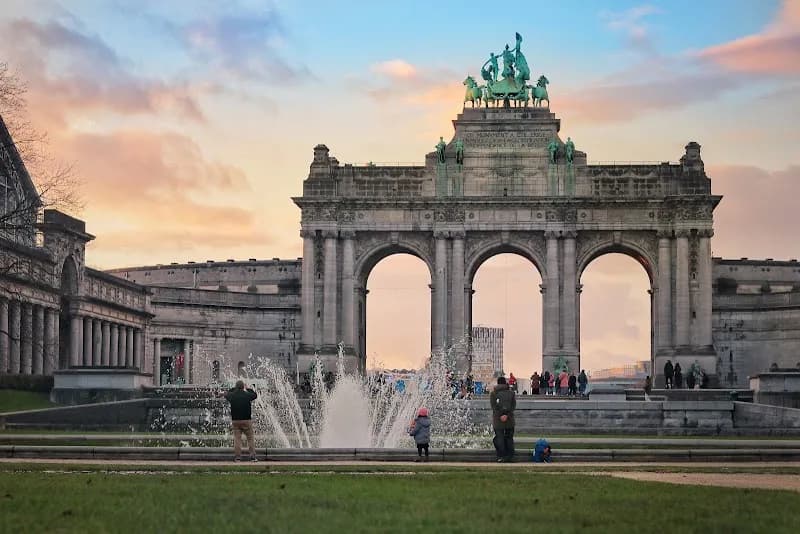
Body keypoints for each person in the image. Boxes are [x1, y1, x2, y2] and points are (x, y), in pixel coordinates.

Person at [225, 380, 258, 461]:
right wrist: (248, 388)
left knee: (237, 439)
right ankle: (252, 456)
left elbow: (227, 393)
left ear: (236, 387)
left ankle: (238, 457)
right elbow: (255, 395)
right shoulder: (247, 395)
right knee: (250, 438)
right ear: (243, 387)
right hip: (247, 420)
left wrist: (234, 389)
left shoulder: (232, 396)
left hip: (235, 421)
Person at [490, 376, 516, 462]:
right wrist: (506, 415)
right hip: (509, 420)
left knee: (499, 438)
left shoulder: (493, 393)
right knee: (509, 438)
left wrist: (501, 415)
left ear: (498, 383)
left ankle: (501, 456)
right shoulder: (511, 393)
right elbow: (513, 406)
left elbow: (494, 407)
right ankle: (510, 456)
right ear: (505, 383)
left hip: (498, 420)